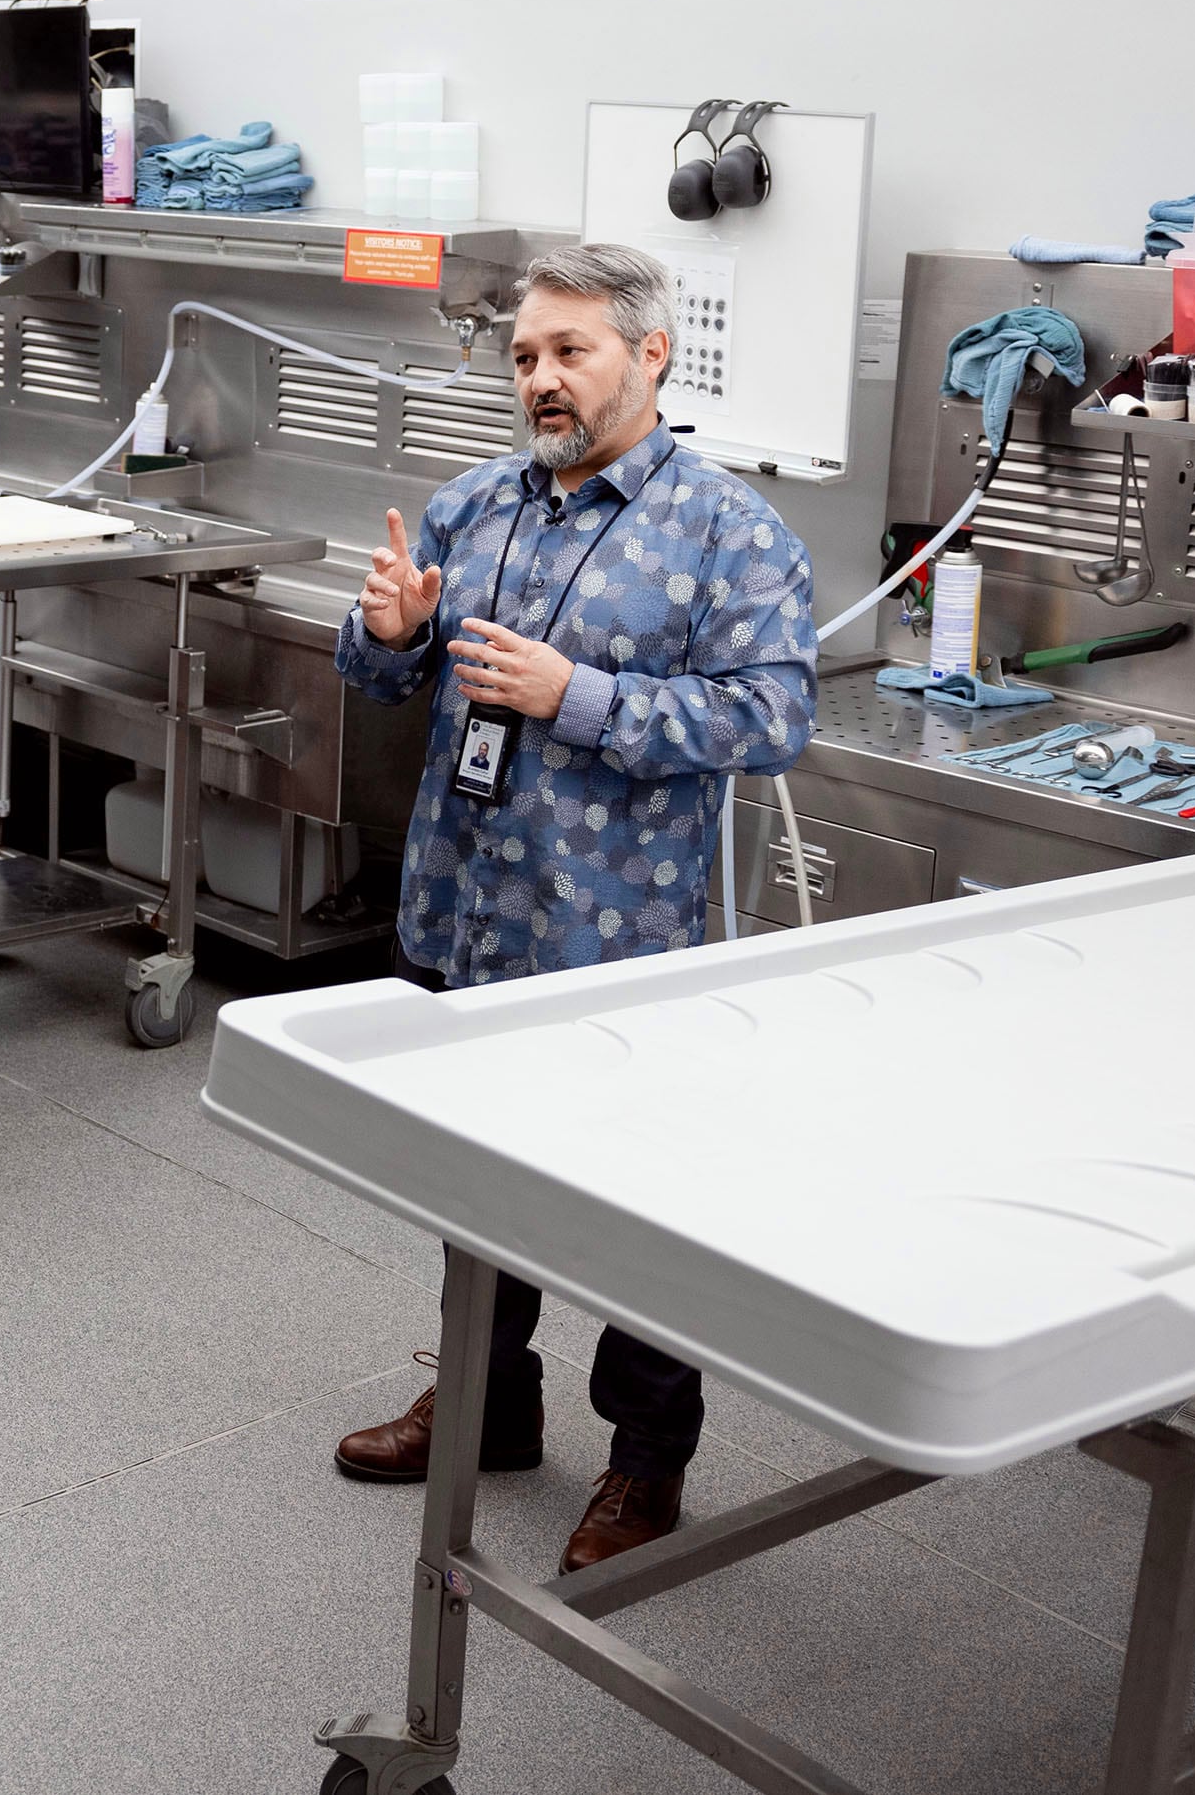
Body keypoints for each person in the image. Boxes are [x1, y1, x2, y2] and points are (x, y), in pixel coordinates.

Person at [328, 241, 816, 1573]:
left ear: (650, 354)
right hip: (465, 917)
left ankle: (646, 1464)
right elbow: (382, 680)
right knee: (474, 1177)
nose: (541, 379)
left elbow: (772, 718)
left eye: (570, 352)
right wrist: (389, 631)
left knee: (635, 1208)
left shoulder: (728, 529)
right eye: (526, 355)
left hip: (619, 944)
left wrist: (577, 697)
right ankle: (487, 1403)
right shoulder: (474, 505)